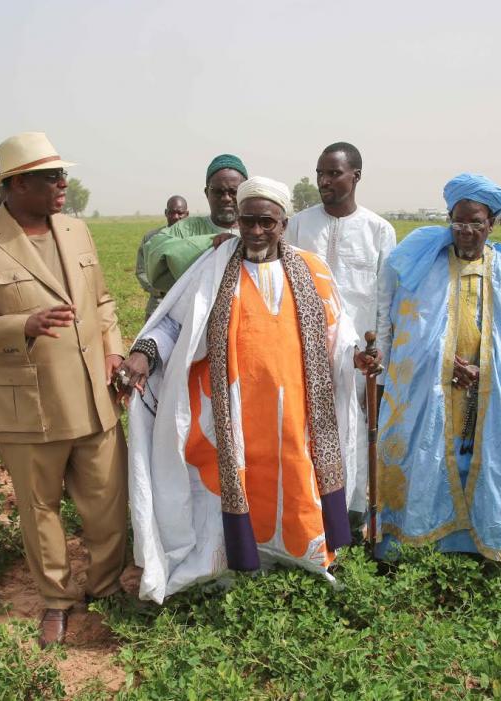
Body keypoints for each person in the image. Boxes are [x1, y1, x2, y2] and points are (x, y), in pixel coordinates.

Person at [122, 176, 381, 603]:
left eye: (267, 221)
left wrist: (356, 359)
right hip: (232, 410)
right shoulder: (216, 265)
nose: (256, 231)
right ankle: (233, 558)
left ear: (284, 222)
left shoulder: (312, 269)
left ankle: (301, 554)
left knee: (295, 476)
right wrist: (143, 355)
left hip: (297, 411)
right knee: (233, 480)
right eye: (248, 221)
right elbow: (174, 321)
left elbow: (340, 335)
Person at [0, 132, 127, 648]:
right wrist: (23, 324)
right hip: (30, 406)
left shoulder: (75, 230)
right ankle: (57, 600)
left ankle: (108, 587)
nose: (62, 183)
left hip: (95, 396)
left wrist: (113, 348)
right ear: (16, 184)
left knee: (106, 504)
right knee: (40, 508)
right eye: (51, 176)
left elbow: (105, 303)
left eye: (62, 174)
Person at [375, 174, 501, 566]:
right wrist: (443, 363)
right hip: (435, 394)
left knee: (493, 461)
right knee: (433, 459)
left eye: (476, 222)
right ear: (448, 219)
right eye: (459, 222)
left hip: (496, 394)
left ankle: (493, 539)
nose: (467, 231)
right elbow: (407, 335)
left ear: (493, 223)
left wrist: (487, 370)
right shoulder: (428, 272)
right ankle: (428, 537)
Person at [285, 142, 397, 512]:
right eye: (320, 173)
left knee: (355, 431)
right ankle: (310, 511)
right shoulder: (299, 225)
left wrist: (379, 355)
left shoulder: (379, 230)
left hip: (359, 359)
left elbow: (384, 298)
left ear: (356, 176)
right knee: (305, 430)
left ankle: (354, 511)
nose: (323, 180)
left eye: (333, 173)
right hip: (307, 350)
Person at [141, 155, 248, 294]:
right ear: (206, 193)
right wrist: (212, 243)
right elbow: (155, 251)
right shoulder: (185, 229)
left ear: (245, 192)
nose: (226, 198)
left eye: (234, 192)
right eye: (218, 192)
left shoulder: (260, 228)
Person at [135, 195, 189, 319]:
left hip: (187, 308)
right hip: (158, 306)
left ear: (187, 214)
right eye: (171, 212)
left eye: (180, 213)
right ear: (166, 213)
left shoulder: (196, 239)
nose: (176, 217)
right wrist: (159, 290)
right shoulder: (152, 238)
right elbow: (141, 271)